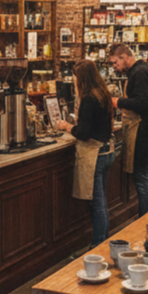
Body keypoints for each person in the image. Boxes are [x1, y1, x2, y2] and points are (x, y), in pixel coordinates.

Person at [57, 60, 115, 248]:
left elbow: (84, 133)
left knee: (96, 204)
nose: (73, 81)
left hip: (94, 154)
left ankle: (99, 243)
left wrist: (67, 126)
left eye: (75, 78)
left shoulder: (88, 99)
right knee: (102, 200)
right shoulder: (103, 94)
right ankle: (103, 239)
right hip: (107, 150)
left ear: (81, 78)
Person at [108, 44, 148, 217]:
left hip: (143, 131)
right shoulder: (139, 71)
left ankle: (146, 220)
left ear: (124, 57)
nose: (114, 67)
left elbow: (141, 103)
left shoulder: (139, 73)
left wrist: (117, 101)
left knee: (143, 176)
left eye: (115, 62)